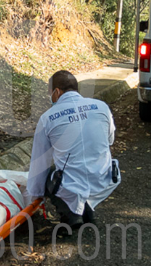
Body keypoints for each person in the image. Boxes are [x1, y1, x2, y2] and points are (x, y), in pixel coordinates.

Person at [26, 71, 121, 229]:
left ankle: (70, 215)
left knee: (48, 175)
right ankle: (87, 206)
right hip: (104, 178)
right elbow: (110, 140)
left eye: (50, 93)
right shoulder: (101, 107)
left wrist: (34, 197)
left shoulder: (48, 118)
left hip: (71, 184)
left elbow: (39, 163)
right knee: (81, 172)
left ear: (57, 92)